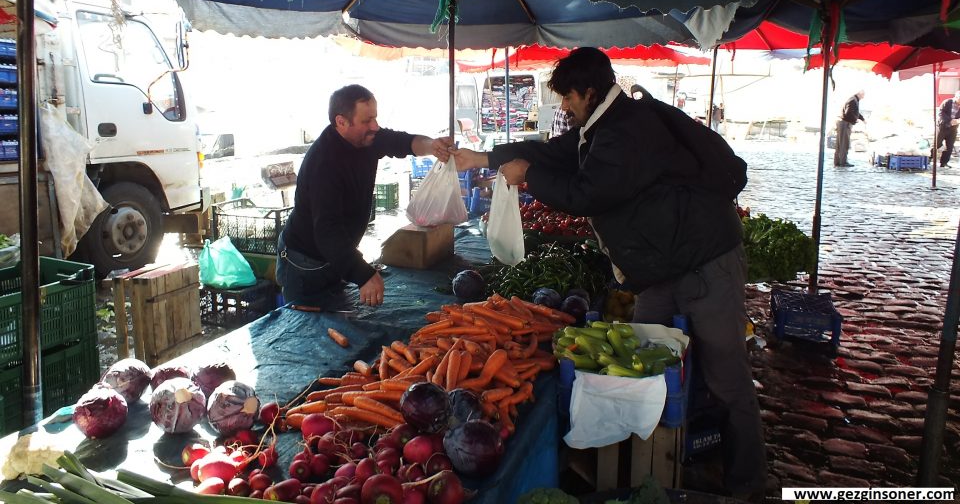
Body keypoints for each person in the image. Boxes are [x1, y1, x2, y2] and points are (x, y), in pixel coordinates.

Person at [452, 48, 766, 500]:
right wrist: (484, 158)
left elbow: (588, 193)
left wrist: (530, 178)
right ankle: (653, 462)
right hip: (661, 265)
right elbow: (553, 153)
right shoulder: (599, 127)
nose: (563, 107)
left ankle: (748, 484)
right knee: (640, 360)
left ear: (589, 92)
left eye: (567, 98)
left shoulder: (628, 130)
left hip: (703, 261)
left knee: (727, 376)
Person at [276, 84, 452, 310]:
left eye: (375, 118)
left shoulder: (366, 138)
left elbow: (400, 142)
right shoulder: (324, 163)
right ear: (341, 122)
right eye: (367, 121)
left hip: (336, 256)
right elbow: (328, 231)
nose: (375, 126)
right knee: (307, 333)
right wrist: (363, 274)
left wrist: (433, 146)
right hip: (305, 263)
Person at [834, 89, 865, 167]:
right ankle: (843, 162)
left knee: (840, 144)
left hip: (842, 123)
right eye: (863, 95)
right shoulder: (853, 100)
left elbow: (856, 112)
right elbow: (848, 113)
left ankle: (838, 162)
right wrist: (855, 119)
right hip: (845, 124)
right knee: (844, 143)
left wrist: (862, 119)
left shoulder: (853, 100)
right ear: (859, 93)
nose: (863, 97)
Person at [933, 91, 960, 168]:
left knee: (949, 146)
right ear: (956, 97)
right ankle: (930, 158)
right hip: (942, 126)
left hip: (953, 128)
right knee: (936, 144)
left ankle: (944, 163)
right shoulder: (948, 102)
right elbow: (941, 113)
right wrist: (949, 120)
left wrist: (957, 121)